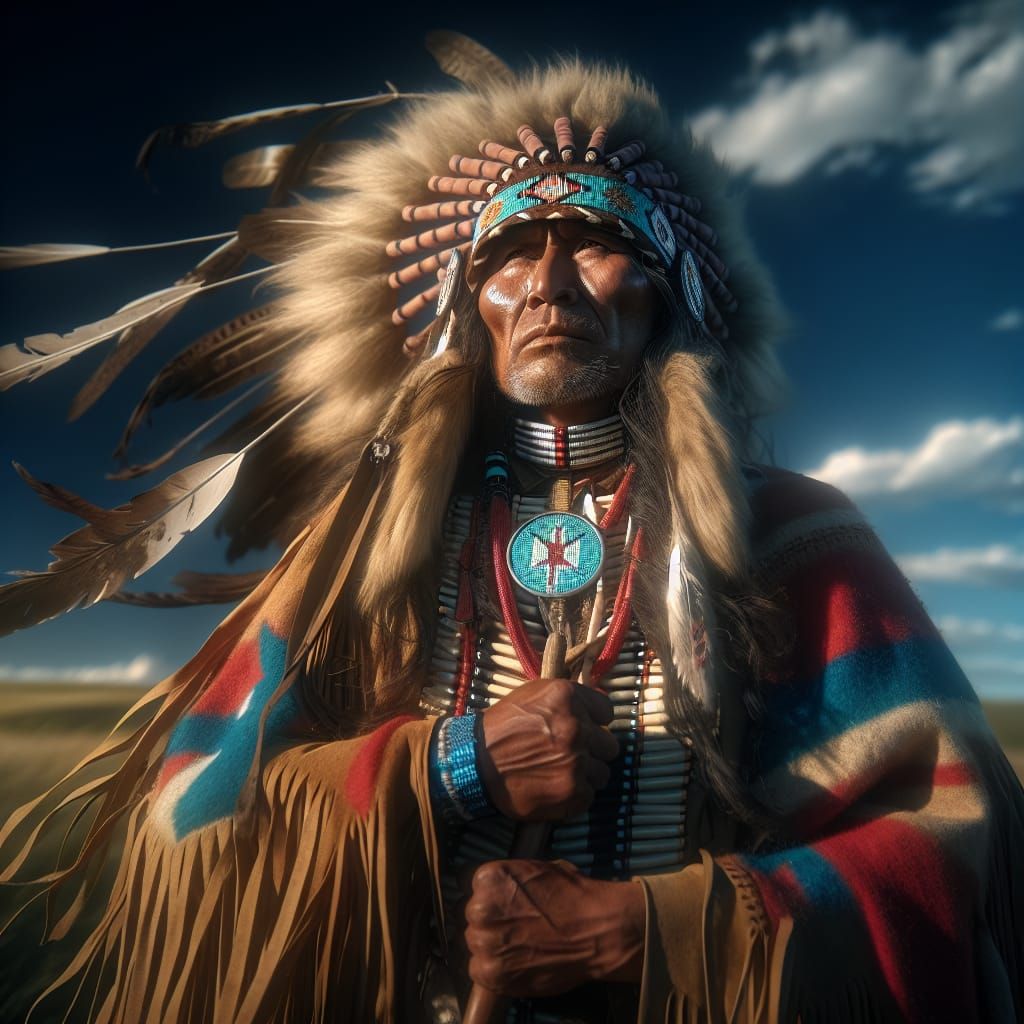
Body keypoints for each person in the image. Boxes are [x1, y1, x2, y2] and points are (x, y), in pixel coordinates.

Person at [1, 39, 1021, 1024]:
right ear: (460, 311)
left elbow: (954, 848)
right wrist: (450, 768)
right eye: (505, 254)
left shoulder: (793, 533)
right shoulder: (360, 552)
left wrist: (652, 929)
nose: (547, 279)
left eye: (598, 241)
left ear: (669, 297)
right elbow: (187, 822)